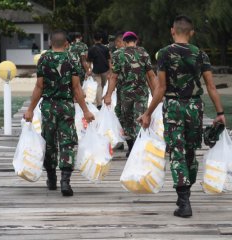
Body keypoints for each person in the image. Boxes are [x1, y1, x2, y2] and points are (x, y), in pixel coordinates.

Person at [137, 15, 226, 218]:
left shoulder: (165, 54)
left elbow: (161, 89)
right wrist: (220, 113)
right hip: (195, 107)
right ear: (191, 32)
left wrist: (147, 113)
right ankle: (185, 194)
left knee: (177, 151)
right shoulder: (200, 54)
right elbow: (211, 87)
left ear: (172, 31)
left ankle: (184, 201)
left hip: (174, 107)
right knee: (191, 151)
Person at [24, 30, 95, 197]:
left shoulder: (44, 59)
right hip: (66, 107)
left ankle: (51, 179)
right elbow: (77, 88)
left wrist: (30, 110)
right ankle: (65, 181)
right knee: (67, 143)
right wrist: (86, 111)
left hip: (48, 107)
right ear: (66, 44)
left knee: (49, 143)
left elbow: (39, 87)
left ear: (50, 44)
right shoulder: (72, 59)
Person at [104, 31, 157, 157]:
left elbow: (114, 77)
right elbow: (151, 75)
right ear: (136, 40)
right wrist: (155, 93)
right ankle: (140, 148)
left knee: (125, 120)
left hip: (124, 94)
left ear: (124, 41)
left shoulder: (118, 54)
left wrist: (108, 95)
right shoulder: (143, 53)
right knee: (140, 118)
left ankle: (132, 146)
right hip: (141, 94)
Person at [87, 32, 111, 108]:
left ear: (94, 40)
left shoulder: (91, 49)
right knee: (103, 86)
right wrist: (110, 70)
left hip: (96, 70)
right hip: (105, 70)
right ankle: (102, 102)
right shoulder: (106, 48)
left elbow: (89, 61)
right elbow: (109, 60)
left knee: (98, 86)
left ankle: (99, 103)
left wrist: (89, 69)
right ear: (101, 39)